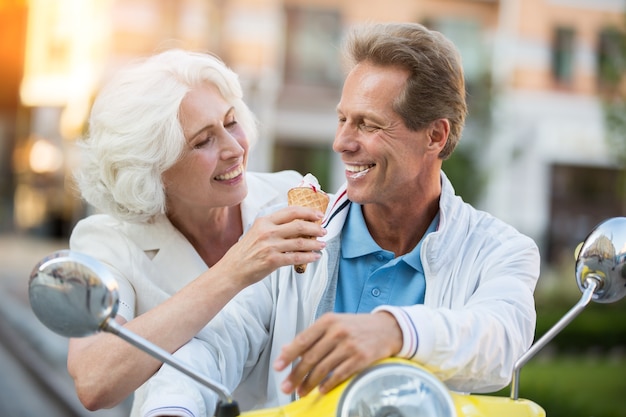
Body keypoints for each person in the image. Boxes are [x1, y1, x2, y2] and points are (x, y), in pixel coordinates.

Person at [138, 22, 540, 416]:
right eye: (342, 119)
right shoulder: (290, 231)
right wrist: (171, 407)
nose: (341, 143)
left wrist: (393, 331)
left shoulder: (501, 250)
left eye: (368, 124)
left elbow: (500, 340)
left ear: (435, 136)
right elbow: (215, 343)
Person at [65, 49, 327, 414]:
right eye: (203, 141)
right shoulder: (108, 243)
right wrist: (233, 270)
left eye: (231, 122)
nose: (234, 148)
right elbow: (94, 380)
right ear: (152, 168)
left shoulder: (292, 196)